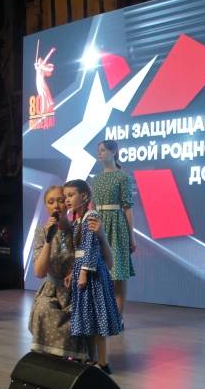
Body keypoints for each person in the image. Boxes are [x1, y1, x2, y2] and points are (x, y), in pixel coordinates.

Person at [30, 186, 111, 359]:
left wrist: (102, 236)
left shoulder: (79, 228)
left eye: (60, 200)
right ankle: (48, 358)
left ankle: (82, 359)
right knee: (43, 309)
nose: (56, 206)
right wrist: (48, 240)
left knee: (81, 312)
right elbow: (39, 272)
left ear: (68, 203)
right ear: (46, 206)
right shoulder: (42, 232)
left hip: (76, 290)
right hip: (51, 291)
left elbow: (107, 262)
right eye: (50, 202)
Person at [63, 179, 123, 373]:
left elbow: (90, 248)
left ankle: (103, 363)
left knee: (97, 319)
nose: (67, 200)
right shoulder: (77, 220)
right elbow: (78, 251)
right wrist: (74, 271)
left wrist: (83, 273)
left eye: (71, 195)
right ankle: (89, 358)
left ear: (84, 196)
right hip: (83, 271)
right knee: (87, 317)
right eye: (65, 196)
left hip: (92, 275)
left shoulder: (91, 216)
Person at [90, 140, 136, 313]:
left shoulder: (123, 177)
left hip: (117, 226)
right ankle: (103, 314)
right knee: (99, 271)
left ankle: (118, 317)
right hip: (98, 224)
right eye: (98, 150)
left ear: (114, 152)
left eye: (103, 150)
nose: (99, 153)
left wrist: (132, 237)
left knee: (119, 273)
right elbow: (92, 206)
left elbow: (127, 208)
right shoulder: (96, 179)